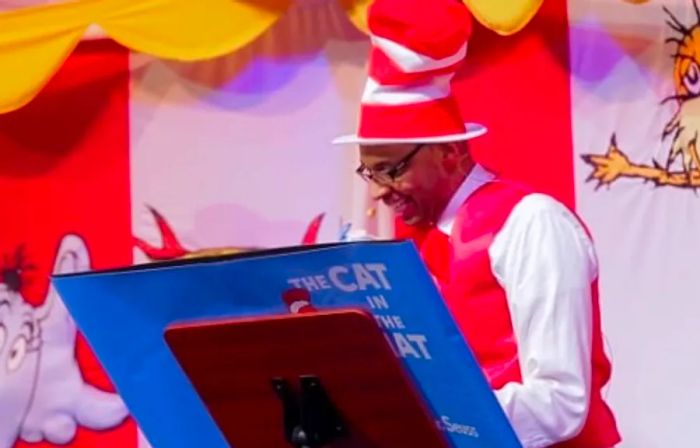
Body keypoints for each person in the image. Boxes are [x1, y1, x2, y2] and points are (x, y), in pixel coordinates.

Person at [332, 1, 621, 447]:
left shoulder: (531, 223)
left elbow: (561, 405)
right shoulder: (417, 241)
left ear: (451, 153)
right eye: (369, 172)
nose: (377, 191)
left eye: (391, 169)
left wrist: (431, 414)